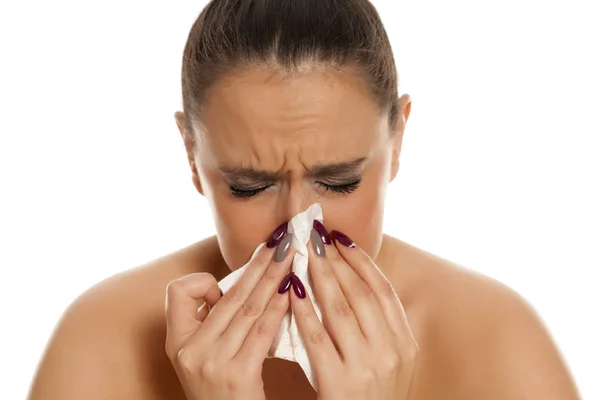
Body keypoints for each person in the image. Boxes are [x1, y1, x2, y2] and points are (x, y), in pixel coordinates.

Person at [27, 0, 581, 399]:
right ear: (193, 157)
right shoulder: (102, 340)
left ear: (398, 141)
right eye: (248, 185)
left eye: (339, 181)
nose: (296, 222)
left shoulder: (498, 339)